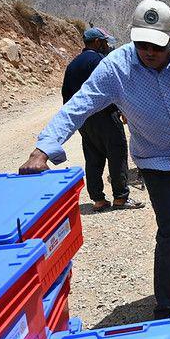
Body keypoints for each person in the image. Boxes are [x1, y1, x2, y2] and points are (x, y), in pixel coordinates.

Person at [18, 0, 170, 336]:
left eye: (156, 44)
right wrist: (43, 149)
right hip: (155, 160)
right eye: (141, 43)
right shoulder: (116, 68)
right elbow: (79, 104)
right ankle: (166, 308)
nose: (148, 51)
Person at [62, 27, 143, 212]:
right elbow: (116, 88)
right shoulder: (102, 61)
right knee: (117, 154)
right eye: (105, 42)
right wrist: (124, 110)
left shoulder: (73, 65)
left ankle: (98, 199)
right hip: (106, 116)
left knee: (93, 158)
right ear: (98, 42)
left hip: (84, 119)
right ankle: (120, 198)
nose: (107, 46)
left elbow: (66, 96)